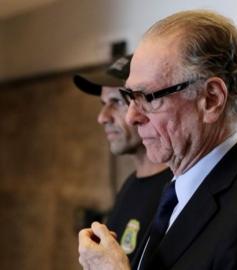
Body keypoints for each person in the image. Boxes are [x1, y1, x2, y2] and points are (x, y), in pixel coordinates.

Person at [78, 10, 237, 270]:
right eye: (131, 96)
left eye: (149, 97)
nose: (133, 116)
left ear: (211, 99)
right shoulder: (178, 190)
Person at [73, 55, 172, 264]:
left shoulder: (176, 192)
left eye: (116, 102)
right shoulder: (131, 185)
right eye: (103, 103)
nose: (102, 117)